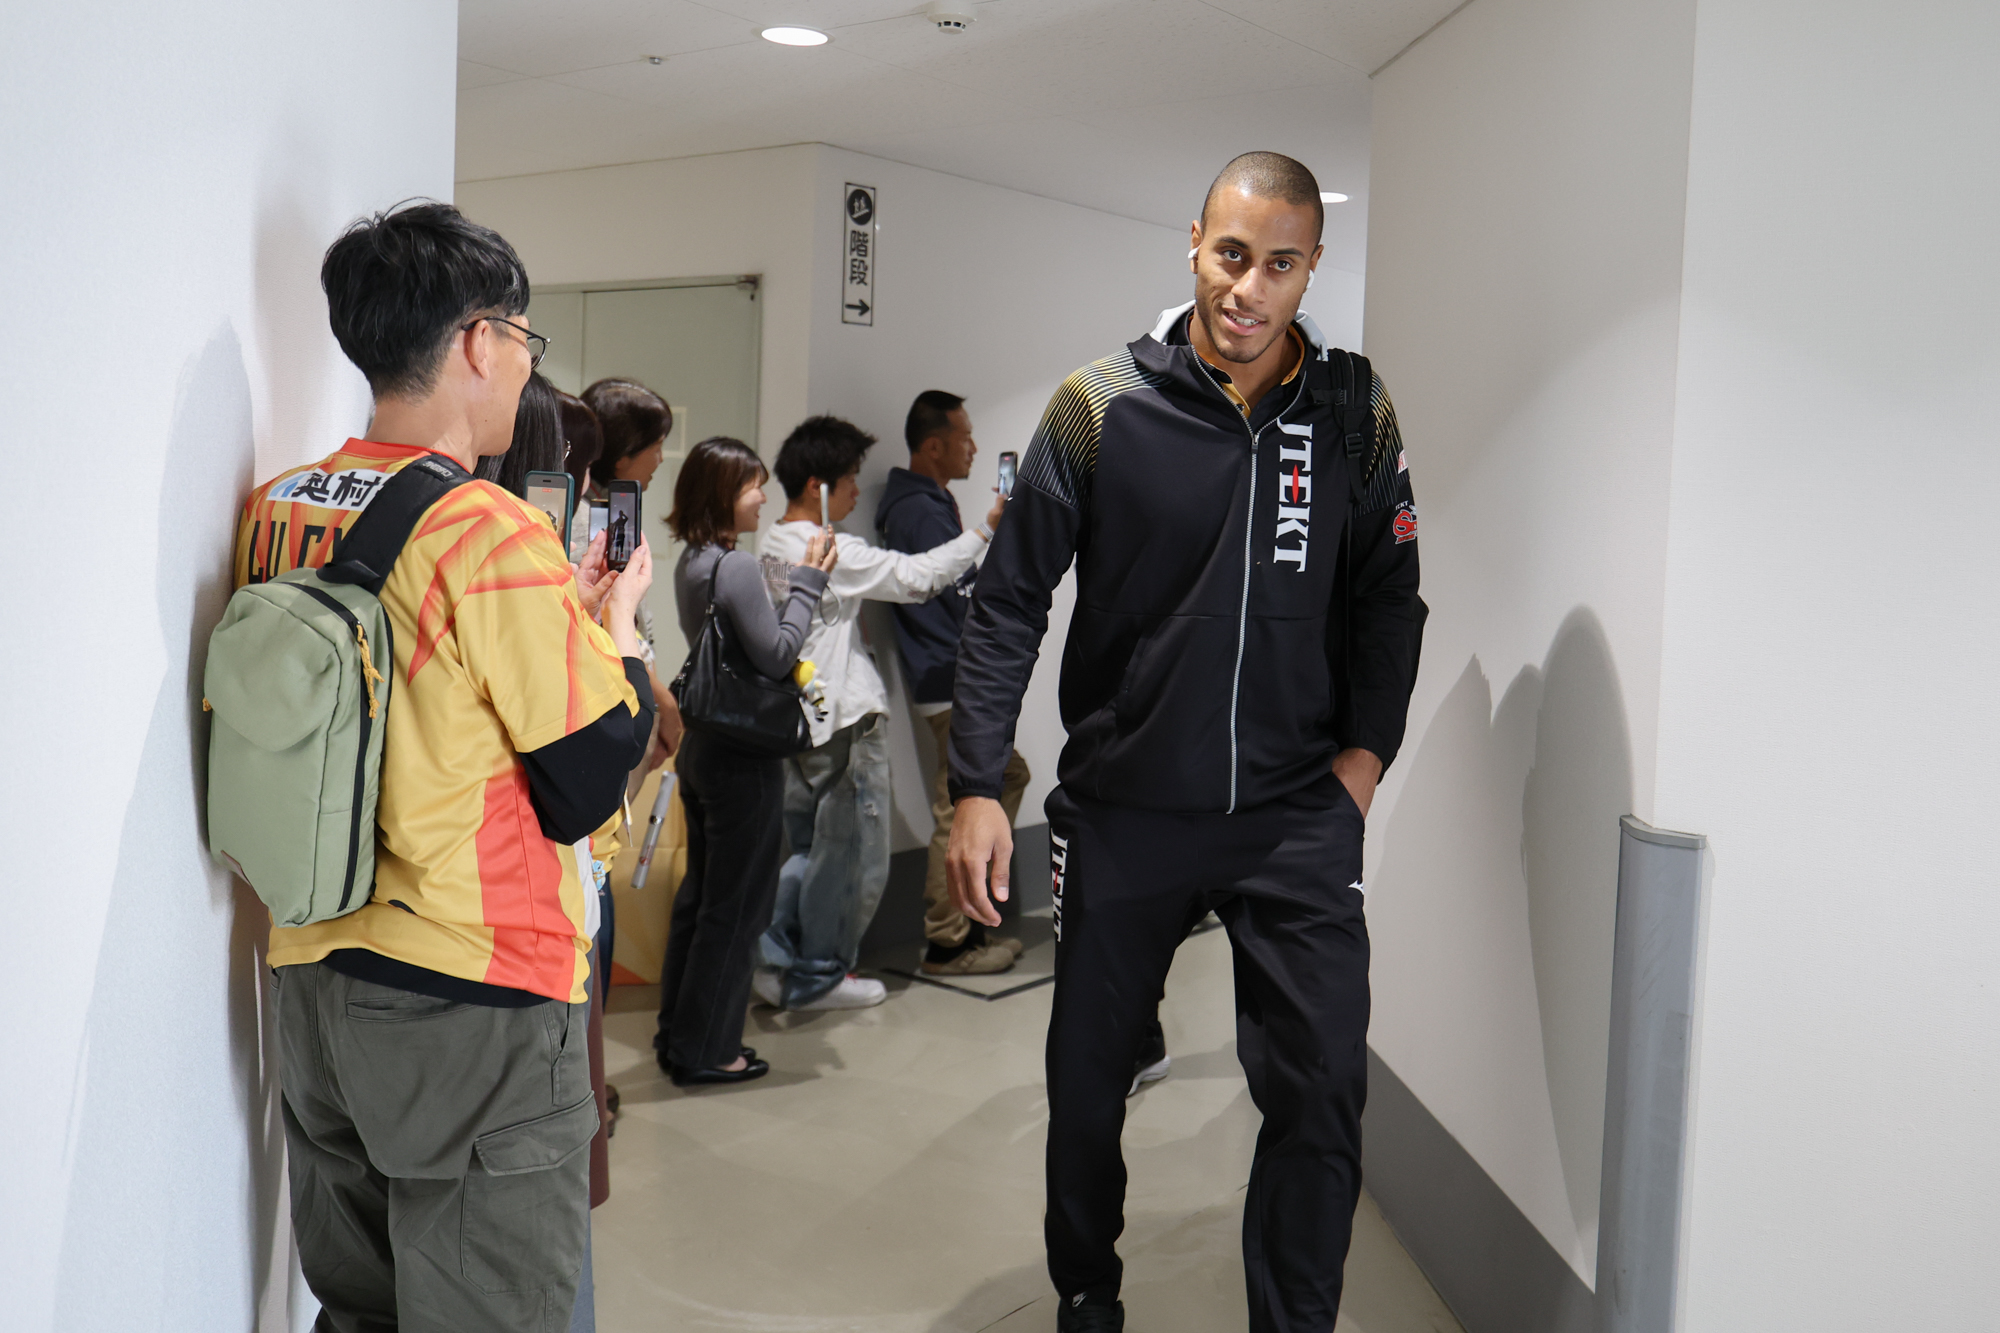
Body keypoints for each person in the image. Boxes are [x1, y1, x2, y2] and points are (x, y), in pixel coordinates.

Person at [945, 153, 1426, 1332]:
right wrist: (975, 783)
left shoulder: (1352, 410)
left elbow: (1388, 598)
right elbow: (1008, 599)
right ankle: (1086, 1291)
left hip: (1295, 817)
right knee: (1087, 1082)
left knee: (1322, 1088)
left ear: (1310, 269)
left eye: (1279, 265)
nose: (1247, 289)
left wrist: (1361, 765)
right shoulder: (1098, 404)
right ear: (1194, 243)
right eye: (1230, 255)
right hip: (1125, 812)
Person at [233, 200, 658, 1330]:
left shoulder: (280, 508)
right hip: (474, 997)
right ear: (478, 339)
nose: (522, 366)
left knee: (360, 1307)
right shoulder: (491, 530)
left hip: (314, 979)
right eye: (522, 339)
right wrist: (618, 638)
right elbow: (584, 778)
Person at [752, 415, 1006, 1011]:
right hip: (845, 718)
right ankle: (821, 975)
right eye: (848, 481)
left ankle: (779, 959)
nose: (855, 492)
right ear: (817, 486)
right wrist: (986, 528)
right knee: (852, 858)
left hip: (799, 719)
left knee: (807, 851)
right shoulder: (828, 549)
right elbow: (917, 577)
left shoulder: (771, 545)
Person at [655, 435, 837, 1084]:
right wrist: (810, 581)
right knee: (737, 910)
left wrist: (784, 585)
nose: (763, 497)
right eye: (751, 485)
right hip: (744, 758)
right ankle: (710, 1050)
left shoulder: (695, 561)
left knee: (703, 900)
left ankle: (681, 1036)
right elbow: (780, 654)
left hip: (706, 746)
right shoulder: (732, 566)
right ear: (722, 493)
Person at [878, 392, 1031, 977]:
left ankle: (965, 924)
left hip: (948, 672)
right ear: (933, 445)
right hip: (947, 675)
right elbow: (942, 592)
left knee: (996, 780)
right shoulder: (916, 510)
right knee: (963, 802)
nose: (973, 447)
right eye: (964, 437)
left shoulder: (927, 502)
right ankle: (948, 940)